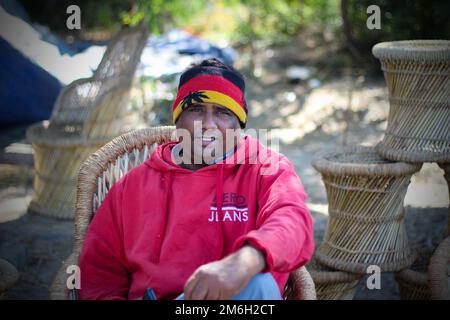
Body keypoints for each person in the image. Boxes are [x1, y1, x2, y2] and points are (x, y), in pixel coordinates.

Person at [78, 58, 314, 300]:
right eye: (196, 110)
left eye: (223, 112)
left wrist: (245, 261)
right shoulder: (132, 186)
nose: (208, 124)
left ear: (239, 124)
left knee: (259, 285)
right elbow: (98, 275)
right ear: (178, 120)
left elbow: (294, 221)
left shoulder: (266, 169)